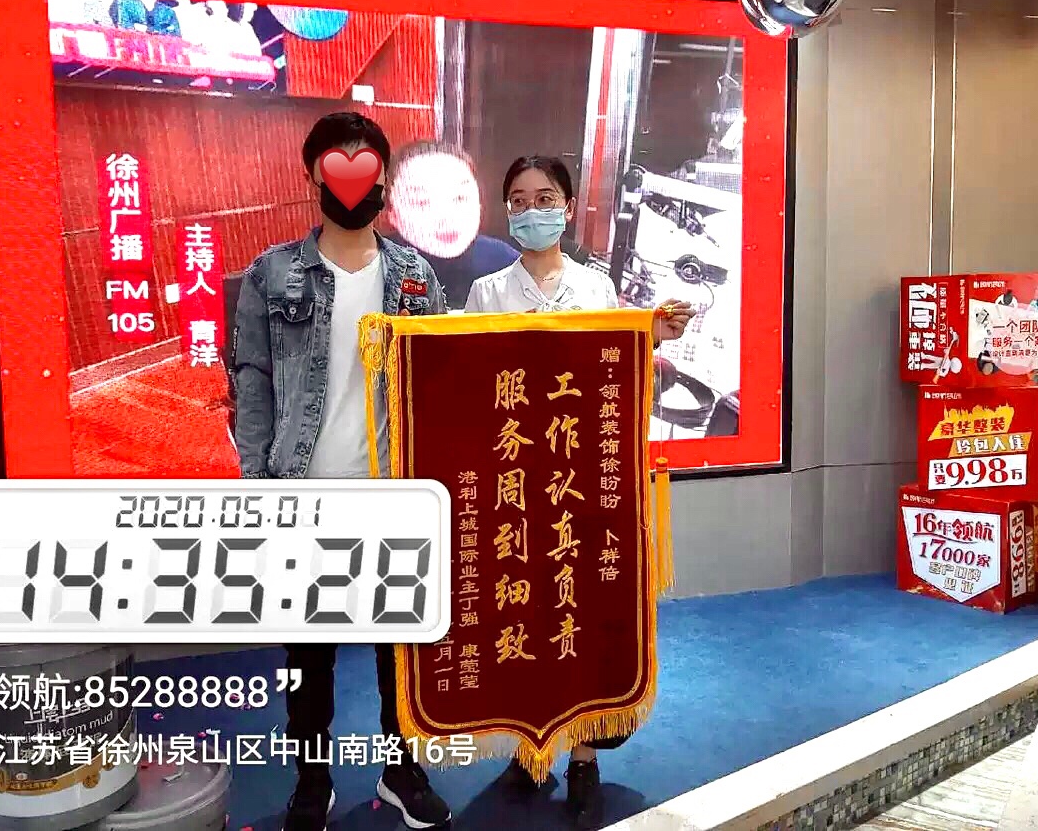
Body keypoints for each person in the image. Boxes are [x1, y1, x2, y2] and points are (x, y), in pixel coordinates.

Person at [232, 112, 452, 831]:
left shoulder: (415, 275)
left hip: (393, 497)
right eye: (337, 162)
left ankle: (402, 770)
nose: (354, 179)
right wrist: (258, 487)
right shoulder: (272, 273)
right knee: (309, 657)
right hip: (302, 496)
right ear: (313, 177)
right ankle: (311, 781)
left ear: (384, 180)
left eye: (366, 164)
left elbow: (440, 382)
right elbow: (252, 385)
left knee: (401, 652)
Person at [465, 155, 693, 828]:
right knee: (524, 618)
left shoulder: (597, 289)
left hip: (583, 483)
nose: (531, 210)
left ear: (567, 208)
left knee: (580, 619)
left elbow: (618, 373)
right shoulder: (486, 292)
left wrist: (653, 333)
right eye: (517, 199)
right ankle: (530, 750)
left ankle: (585, 757)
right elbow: (468, 380)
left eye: (545, 198)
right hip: (515, 487)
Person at [384, 141, 519, 307]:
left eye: (460, 198)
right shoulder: (379, 266)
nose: (446, 216)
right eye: (421, 202)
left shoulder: (505, 263)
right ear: (391, 213)